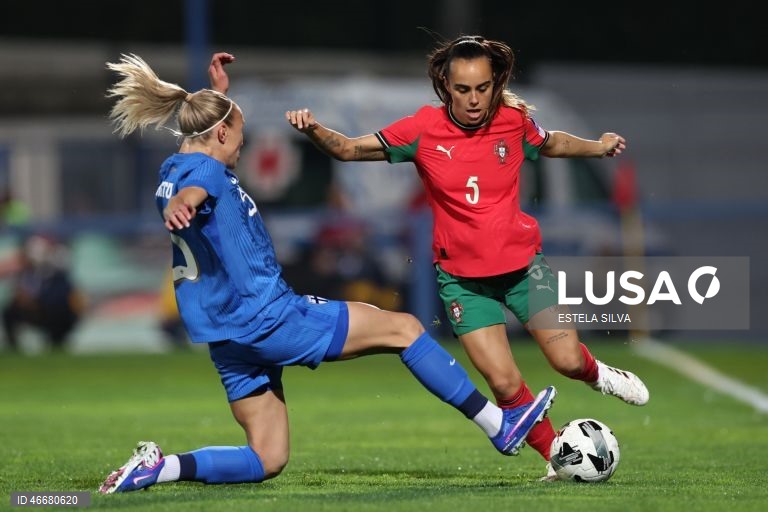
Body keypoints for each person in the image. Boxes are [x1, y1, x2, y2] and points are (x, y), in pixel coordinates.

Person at [98, 52, 557, 495]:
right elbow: (202, 184)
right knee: (405, 329)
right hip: (270, 317)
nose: (243, 144)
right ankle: (500, 425)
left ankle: (160, 469)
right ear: (220, 136)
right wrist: (189, 200)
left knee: (267, 458)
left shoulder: (172, 167)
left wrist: (218, 98)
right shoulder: (206, 175)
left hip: (227, 337)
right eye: (239, 135)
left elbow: (198, 157)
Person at [285, 35, 650, 480]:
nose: (474, 99)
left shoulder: (513, 121)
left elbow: (551, 142)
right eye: (463, 89)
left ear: (495, 84)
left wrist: (597, 145)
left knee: (567, 361)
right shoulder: (421, 128)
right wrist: (314, 129)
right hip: (462, 281)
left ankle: (600, 376)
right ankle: (557, 460)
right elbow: (347, 149)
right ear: (445, 84)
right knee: (504, 383)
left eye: (482, 88)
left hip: (523, 270)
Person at [2, 234, 82, 352]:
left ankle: (57, 344)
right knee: (9, 313)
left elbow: (61, 297)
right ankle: (13, 346)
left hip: (54, 313)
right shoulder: (25, 274)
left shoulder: (57, 274)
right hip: (35, 311)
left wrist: (36, 300)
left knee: (59, 321)